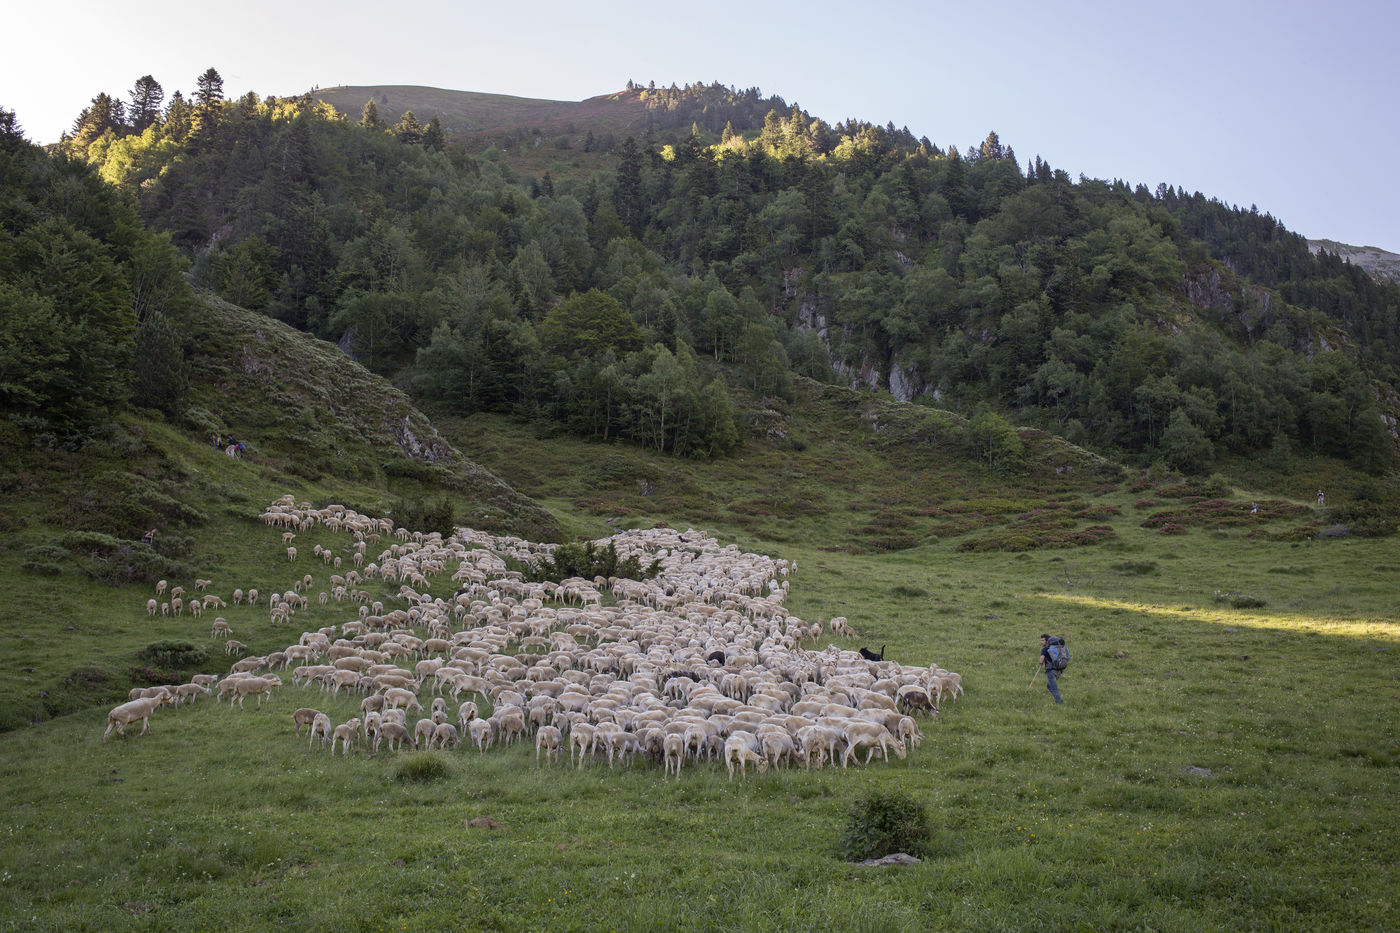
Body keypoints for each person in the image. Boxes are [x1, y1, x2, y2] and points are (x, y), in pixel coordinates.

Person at [1039, 634, 1064, 704]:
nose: (1041, 642)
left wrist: (1041, 662)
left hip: (1051, 671)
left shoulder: (1045, 649)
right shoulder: (1056, 649)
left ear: (1047, 641)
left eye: (1042, 640)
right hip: (1059, 670)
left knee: (1054, 688)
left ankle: (1059, 703)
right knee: (1049, 686)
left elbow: (1041, 660)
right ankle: (1058, 699)